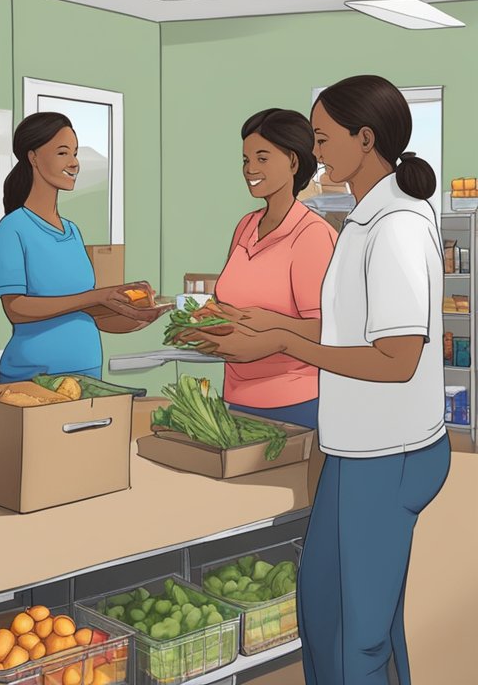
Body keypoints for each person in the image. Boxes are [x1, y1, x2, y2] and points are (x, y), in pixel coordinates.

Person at [184, 75, 449, 685]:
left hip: (392, 453)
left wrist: (279, 338)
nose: (317, 152)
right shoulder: (362, 221)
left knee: (358, 633)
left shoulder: (398, 228)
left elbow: (396, 360)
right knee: (329, 608)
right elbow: (343, 333)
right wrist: (272, 326)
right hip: (355, 449)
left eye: (324, 139)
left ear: (366, 138)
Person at [0, 112, 164, 382]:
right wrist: (97, 296)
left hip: (87, 369)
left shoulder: (72, 231)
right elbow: (16, 309)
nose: (74, 164)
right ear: (33, 157)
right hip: (35, 375)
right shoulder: (13, 228)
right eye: (63, 153)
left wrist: (133, 314)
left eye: (75, 153)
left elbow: (82, 310)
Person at [210, 109, 337, 428]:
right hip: (236, 398)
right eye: (245, 160)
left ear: (293, 162)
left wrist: (270, 326)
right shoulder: (245, 226)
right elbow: (226, 307)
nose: (250, 169)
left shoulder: (312, 235)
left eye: (262, 158)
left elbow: (329, 330)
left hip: (294, 403)